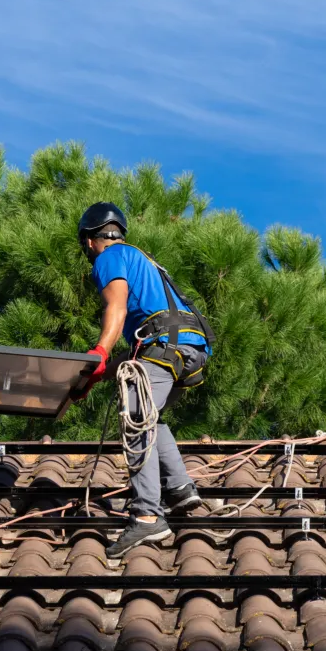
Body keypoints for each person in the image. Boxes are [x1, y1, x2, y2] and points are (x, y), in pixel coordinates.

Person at [76, 202, 215, 557]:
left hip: (165, 347)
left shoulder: (110, 257)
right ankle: (181, 489)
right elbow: (139, 346)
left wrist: (99, 352)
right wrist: (97, 376)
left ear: (90, 241)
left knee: (137, 422)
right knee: (151, 417)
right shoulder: (145, 261)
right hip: (188, 349)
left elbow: (117, 308)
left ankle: (147, 517)